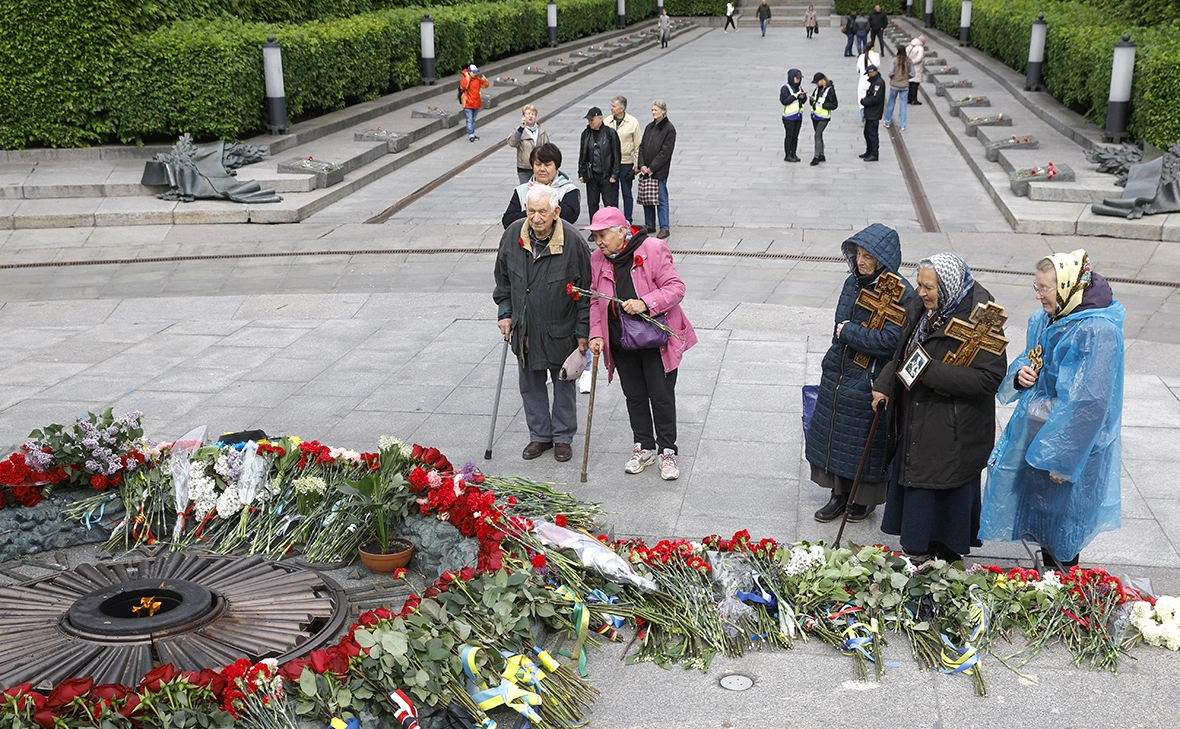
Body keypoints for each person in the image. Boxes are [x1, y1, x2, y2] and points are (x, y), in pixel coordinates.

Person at [980, 250, 1125, 570]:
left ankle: (1062, 581)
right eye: (1037, 286)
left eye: (1045, 288)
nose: (1038, 295)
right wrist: (1020, 376)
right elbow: (1031, 357)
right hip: (1040, 431)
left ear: (1068, 288)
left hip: (1074, 445)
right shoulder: (1048, 317)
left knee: (1066, 520)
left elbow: (1089, 403)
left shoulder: (1095, 330)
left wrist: (1063, 459)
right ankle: (1048, 577)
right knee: (1043, 514)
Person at [871, 253, 1008, 562]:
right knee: (918, 484)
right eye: (920, 284)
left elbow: (990, 378)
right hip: (917, 417)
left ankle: (942, 552)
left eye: (928, 287)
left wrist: (931, 372)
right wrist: (884, 383)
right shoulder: (924, 307)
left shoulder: (981, 319)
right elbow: (904, 351)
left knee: (942, 489)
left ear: (947, 286)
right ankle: (918, 549)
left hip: (953, 426)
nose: (920, 292)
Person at [808, 224, 913, 523]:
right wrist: (841, 342)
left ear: (883, 259)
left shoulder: (901, 293)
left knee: (864, 440)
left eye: (868, 256)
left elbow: (892, 340)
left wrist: (850, 333)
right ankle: (838, 494)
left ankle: (863, 499)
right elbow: (839, 324)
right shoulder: (852, 283)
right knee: (836, 435)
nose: (860, 261)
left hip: (870, 376)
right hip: (840, 370)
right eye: (857, 254)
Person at [585, 207, 697, 481]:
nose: (598, 242)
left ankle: (667, 450)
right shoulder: (597, 259)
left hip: (654, 339)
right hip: (620, 339)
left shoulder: (653, 249)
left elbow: (676, 288)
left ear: (621, 232)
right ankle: (644, 446)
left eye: (603, 235)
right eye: (595, 236)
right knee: (634, 395)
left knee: (661, 395)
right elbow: (595, 300)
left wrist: (645, 303)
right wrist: (596, 334)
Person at [493, 185, 592, 463]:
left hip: (561, 328)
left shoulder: (573, 241)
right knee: (530, 385)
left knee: (563, 384)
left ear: (556, 212)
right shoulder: (513, 234)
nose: (536, 218)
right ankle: (539, 435)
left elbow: (587, 290)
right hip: (525, 327)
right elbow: (503, 279)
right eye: (531, 211)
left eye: (542, 212)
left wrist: (583, 331)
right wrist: (505, 312)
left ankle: (562, 438)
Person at [502, 143, 580, 229]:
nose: (542, 169)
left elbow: (570, 217)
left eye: (547, 165)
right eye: (538, 164)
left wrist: (546, 192)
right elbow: (507, 221)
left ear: (557, 167)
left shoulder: (568, 189)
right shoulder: (521, 190)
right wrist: (532, 213)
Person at [637, 100, 676, 239]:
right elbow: (642, 147)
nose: (653, 112)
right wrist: (642, 165)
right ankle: (650, 224)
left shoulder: (669, 129)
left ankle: (664, 227)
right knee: (647, 198)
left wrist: (652, 168)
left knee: (661, 199)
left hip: (659, 170)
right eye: (652, 110)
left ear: (663, 111)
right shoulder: (649, 127)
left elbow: (665, 152)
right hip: (646, 169)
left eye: (656, 110)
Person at [578, 106, 622, 222]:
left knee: (609, 203)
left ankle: (611, 225)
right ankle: (594, 227)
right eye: (589, 120)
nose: (590, 122)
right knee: (592, 203)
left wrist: (614, 174)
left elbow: (617, 155)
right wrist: (581, 172)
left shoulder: (610, 133)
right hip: (591, 175)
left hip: (606, 175)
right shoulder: (586, 134)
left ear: (600, 118)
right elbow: (582, 154)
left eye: (592, 120)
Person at [607, 96, 642, 225]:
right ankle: (615, 219)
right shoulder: (607, 121)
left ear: (622, 108)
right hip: (611, 163)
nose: (611, 108)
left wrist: (638, 164)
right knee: (612, 193)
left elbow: (638, 145)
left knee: (627, 192)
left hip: (626, 162)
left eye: (614, 106)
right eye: (611, 106)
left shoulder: (633, 122)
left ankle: (628, 219)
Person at [507, 105, 550, 183]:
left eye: (533, 114)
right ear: (524, 116)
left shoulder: (541, 131)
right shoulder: (518, 130)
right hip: (524, 168)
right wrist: (521, 129)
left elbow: (547, 148)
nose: (530, 116)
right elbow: (512, 143)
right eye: (528, 114)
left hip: (539, 167)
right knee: (525, 189)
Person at [809, 72, 838, 166]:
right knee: (819, 135)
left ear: (823, 80)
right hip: (815, 116)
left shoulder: (830, 90)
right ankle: (821, 155)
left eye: (817, 82)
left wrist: (823, 105)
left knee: (817, 135)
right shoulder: (817, 89)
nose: (816, 84)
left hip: (824, 117)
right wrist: (811, 100)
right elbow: (814, 100)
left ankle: (816, 157)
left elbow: (834, 105)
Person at [780, 68, 807, 164]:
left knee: (795, 136)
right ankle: (788, 155)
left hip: (798, 116)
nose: (798, 80)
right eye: (796, 78)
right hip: (789, 117)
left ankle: (793, 153)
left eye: (799, 78)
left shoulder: (799, 88)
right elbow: (784, 101)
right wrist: (795, 96)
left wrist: (803, 97)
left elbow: (803, 101)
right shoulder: (785, 88)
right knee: (789, 136)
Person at [860, 64, 884, 162]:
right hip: (870, 112)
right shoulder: (874, 82)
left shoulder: (878, 83)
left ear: (874, 72)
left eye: (869, 74)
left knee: (872, 134)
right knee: (867, 133)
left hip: (874, 113)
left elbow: (875, 99)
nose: (868, 76)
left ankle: (874, 153)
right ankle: (869, 151)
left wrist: (864, 101)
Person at [885, 44, 912, 130]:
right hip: (904, 85)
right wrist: (906, 77)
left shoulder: (895, 60)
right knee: (903, 105)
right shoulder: (908, 61)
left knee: (891, 103)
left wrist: (893, 77)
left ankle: (887, 121)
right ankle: (902, 124)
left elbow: (890, 72)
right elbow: (913, 73)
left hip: (894, 84)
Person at [459, 65, 490, 142]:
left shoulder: (477, 79)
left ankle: (471, 133)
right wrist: (467, 77)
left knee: (472, 119)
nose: (475, 74)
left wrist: (485, 80)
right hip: (467, 103)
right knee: (470, 119)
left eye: (476, 72)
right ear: (469, 72)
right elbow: (463, 86)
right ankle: (470, 134)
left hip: (476, 103)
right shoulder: (465, 79)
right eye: (473, 72)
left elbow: (485, 85)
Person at [855, 41, 881, 118]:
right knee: (871, 98)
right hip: (873, 82)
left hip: (863, 82)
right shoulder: (876, 55)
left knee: (861, 98)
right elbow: (878, 67)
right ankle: (869, 114)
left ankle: (863, 113)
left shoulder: (861, 56)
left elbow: (858, 69)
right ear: (873, 47)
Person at [907, 36, 927, 105]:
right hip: (917, 68)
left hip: (909, 67)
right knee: (915, 84)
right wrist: (912, 62)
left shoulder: (910, 45)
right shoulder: (920, 48)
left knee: (910, 83)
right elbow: (919, 59)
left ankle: (909, 98)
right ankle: (914, 99)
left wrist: (908, 62)